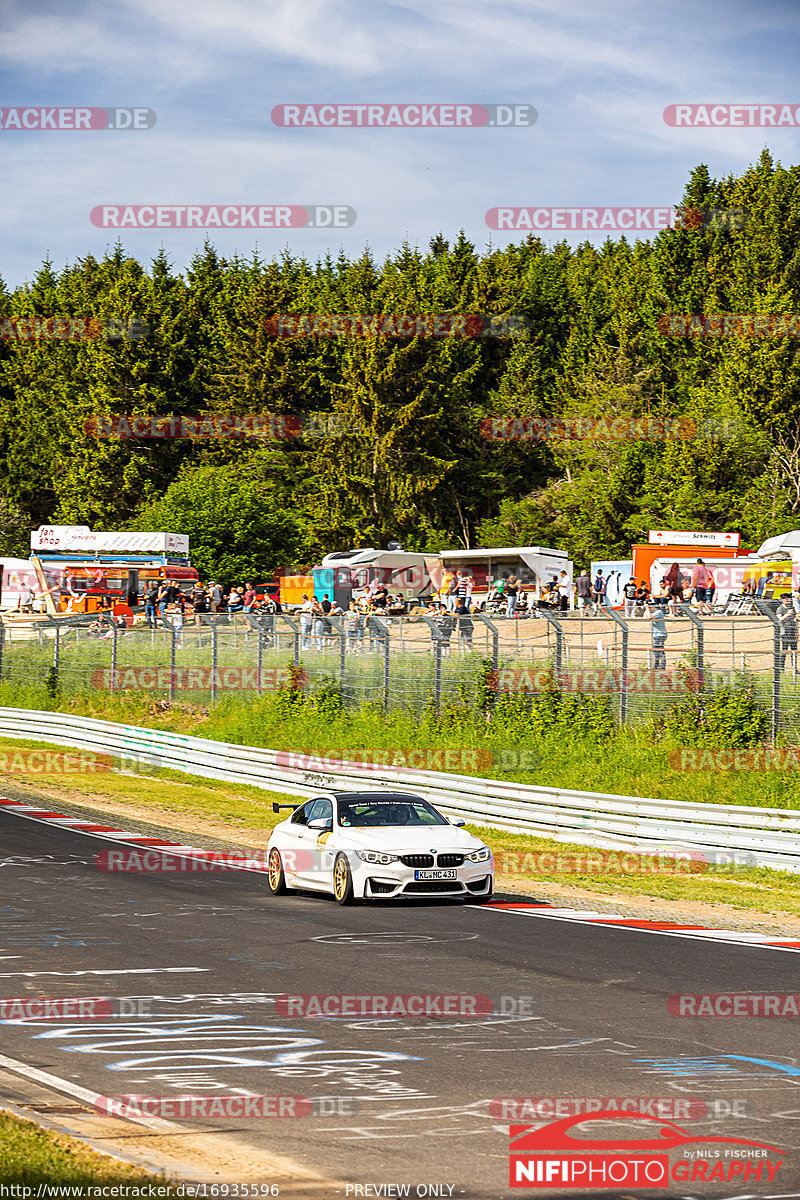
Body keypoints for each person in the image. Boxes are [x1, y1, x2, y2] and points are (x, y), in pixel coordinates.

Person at [777, 593, 798, 671]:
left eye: (789, 598)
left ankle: (794, 669)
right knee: (784, 649)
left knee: (794, 650)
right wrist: (787, 614)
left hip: (792, 631)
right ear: (782, 600)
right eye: (785, 599)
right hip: (784, 632)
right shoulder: (780, 609)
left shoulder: (793, 608)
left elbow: (795, 621)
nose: (788, 600)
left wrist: (797, 632)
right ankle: (781, 667)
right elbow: (780, 619)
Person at [648, 601, 668, 670]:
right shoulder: (655, 613)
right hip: (657, 635)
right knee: (656, 650)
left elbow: (650, 617)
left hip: (660, 634)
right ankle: (657, 665)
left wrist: (647, 608)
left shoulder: (659, 612)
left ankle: (661, 666)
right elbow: (646, 617)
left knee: (659, 650)